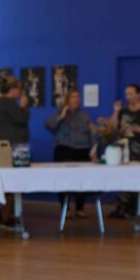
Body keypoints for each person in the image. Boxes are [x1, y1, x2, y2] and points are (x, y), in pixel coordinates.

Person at [107, 83, 140, 217]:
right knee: (124, 179)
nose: (128, 96)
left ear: (138, 95)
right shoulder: (123, 111)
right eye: (126, 94)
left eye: (131, 93)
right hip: (125, 150)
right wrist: (116, 111)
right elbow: (112, 127)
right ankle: (123, 209)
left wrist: (137, 129)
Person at [45, 88, 98, 216]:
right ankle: (65, 209)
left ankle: (80, 209)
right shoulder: (59, 113)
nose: (76, 99)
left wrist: (93, 150)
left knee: (82, 180)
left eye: (78, 97)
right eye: (73, 97)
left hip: (82, 150)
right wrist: (61, 116)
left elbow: (93, 134)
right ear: (68, 100)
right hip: (64, 150)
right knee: (63, 181)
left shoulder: (85, 115)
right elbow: (49, 126)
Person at [0, 76, 30, 145]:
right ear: (12, 89)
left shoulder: (4, 102)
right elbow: (22, 119)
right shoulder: (5, 103)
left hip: (14, 144)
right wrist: (23, 106)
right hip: (13, 145)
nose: (22, 91)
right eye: (20, 88)